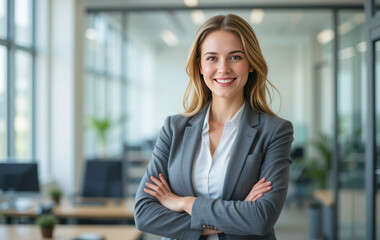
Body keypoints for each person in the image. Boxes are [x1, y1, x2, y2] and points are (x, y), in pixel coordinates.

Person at [134, 14, 294, 240]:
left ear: (250, 64)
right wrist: (234, 215)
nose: (223, 68)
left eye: (235, 57)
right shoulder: (174, 128)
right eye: (212, 58)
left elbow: (261, 218)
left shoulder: (275, 131)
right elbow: (145, 214)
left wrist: (184, 203)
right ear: (199, 66)